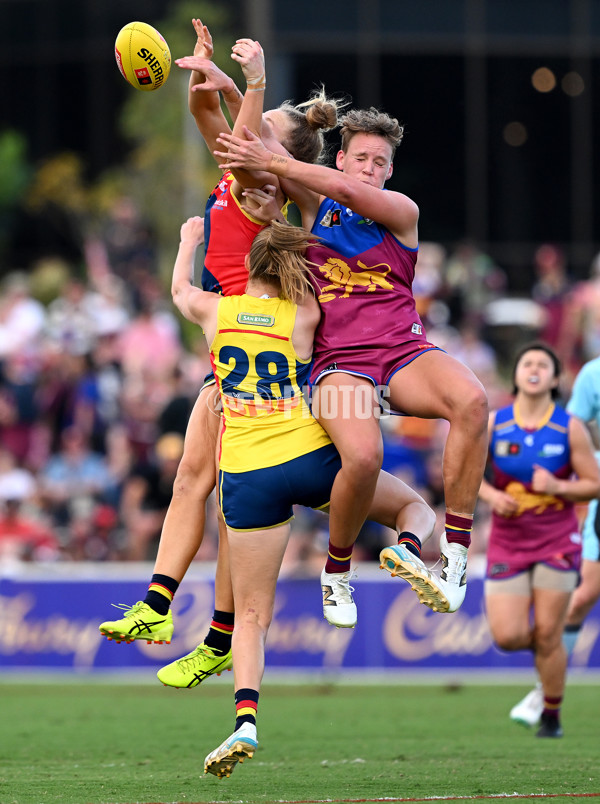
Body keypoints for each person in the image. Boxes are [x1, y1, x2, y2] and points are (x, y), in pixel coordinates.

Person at [98, 24, 353, 672]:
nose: (248, 126)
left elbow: (235, 131)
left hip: (250, 351)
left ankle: (201, 627)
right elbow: (204, 111)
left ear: (278, 151)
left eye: (263, 123)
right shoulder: (242, 175)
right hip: (237, 349)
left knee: (212, 489)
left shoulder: (263, 183)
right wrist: (206, 74)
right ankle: (181, 615)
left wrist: (253, 80)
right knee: (201, 484)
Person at [169, 216, 436, 778]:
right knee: (416, 508)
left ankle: (245, 720)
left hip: (247, 474)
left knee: (251, 616)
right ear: (293, 270)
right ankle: (406, 547)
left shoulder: (215, 312)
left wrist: (191, 242)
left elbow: (179, 291)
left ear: (246, 268)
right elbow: (327, 319)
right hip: (309, 456)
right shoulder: (305, 314)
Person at [214, 105, 490, 613]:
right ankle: (337, 572)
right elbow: (253, 144)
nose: (368, 168)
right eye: (360, 157)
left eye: (379, 161)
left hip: (404, 351)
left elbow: (336, 188)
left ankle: (454, 556)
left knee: (472, 400)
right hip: (341, 361)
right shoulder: (316, 201)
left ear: (389, 172)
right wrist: (240, 84)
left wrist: (276, 164)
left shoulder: (401, 211)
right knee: (363, 457)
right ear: (339, 158)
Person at [478, 342, 600, 739]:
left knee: (549, 632)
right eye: (527, 362)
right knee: (508, 636)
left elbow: (593, 485)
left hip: (556, 539)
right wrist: (493, 495)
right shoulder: (495, 423)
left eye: (543, 364)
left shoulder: (570, 427)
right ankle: (552, 660)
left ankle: (551, 714)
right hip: (508, 541)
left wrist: (559, 486)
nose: (534, 369)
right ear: (515, 375)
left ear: (555, 378)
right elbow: (462, 473)